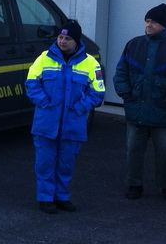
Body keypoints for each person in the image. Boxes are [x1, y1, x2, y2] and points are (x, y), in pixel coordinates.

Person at [113, 3, 166, 201]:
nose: (149, 25)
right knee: (133, 150)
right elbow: (120, 72)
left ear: (164, 25)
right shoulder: (133, 44)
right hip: (137, 110)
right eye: (147, 21)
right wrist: (126, 95)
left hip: (164, 112)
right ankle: (134, 185)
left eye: (154, 22)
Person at [25, 21, 106, 213]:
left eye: (67, 38)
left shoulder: (90, 63)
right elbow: (31, 83)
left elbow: (98, 91)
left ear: (76, 40)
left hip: (72, 124)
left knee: (66, 164)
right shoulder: (44, 58)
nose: (62, 41)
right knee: (44, 163)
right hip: (46, 122)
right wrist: (43, 102)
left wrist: (79, 108)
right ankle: (45, 198)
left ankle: (62, 197)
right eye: (60, 37)